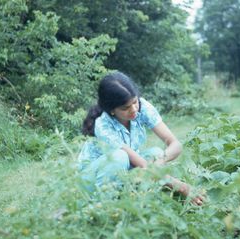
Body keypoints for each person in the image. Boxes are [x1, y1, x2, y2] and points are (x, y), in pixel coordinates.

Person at [78, 71, 205, 205]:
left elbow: (175, 144)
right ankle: (101, 206)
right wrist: (181, 186)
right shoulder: (103, 125)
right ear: (112, 110)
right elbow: (139, 163)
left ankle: (143, 199)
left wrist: (159, 162)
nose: (133, 109)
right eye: (125, 108)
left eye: (135, 102)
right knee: (120, 156)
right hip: (91, 181)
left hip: (123, 169)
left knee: (156, 154)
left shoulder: (142, 107)